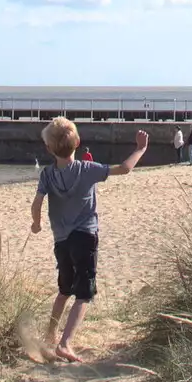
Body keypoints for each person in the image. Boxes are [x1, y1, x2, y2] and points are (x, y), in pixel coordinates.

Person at [31, 117, 148, 363]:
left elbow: (37, 202)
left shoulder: (47, 174)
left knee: (64, 290)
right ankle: (64, 343)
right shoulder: (87, 169)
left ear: (49, 149)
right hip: (84, 236)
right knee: (84, 294)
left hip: (61, 240)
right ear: (78, 143)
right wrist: (140, 149)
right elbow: (124, 169)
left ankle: (50, 333)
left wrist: (37, 223)